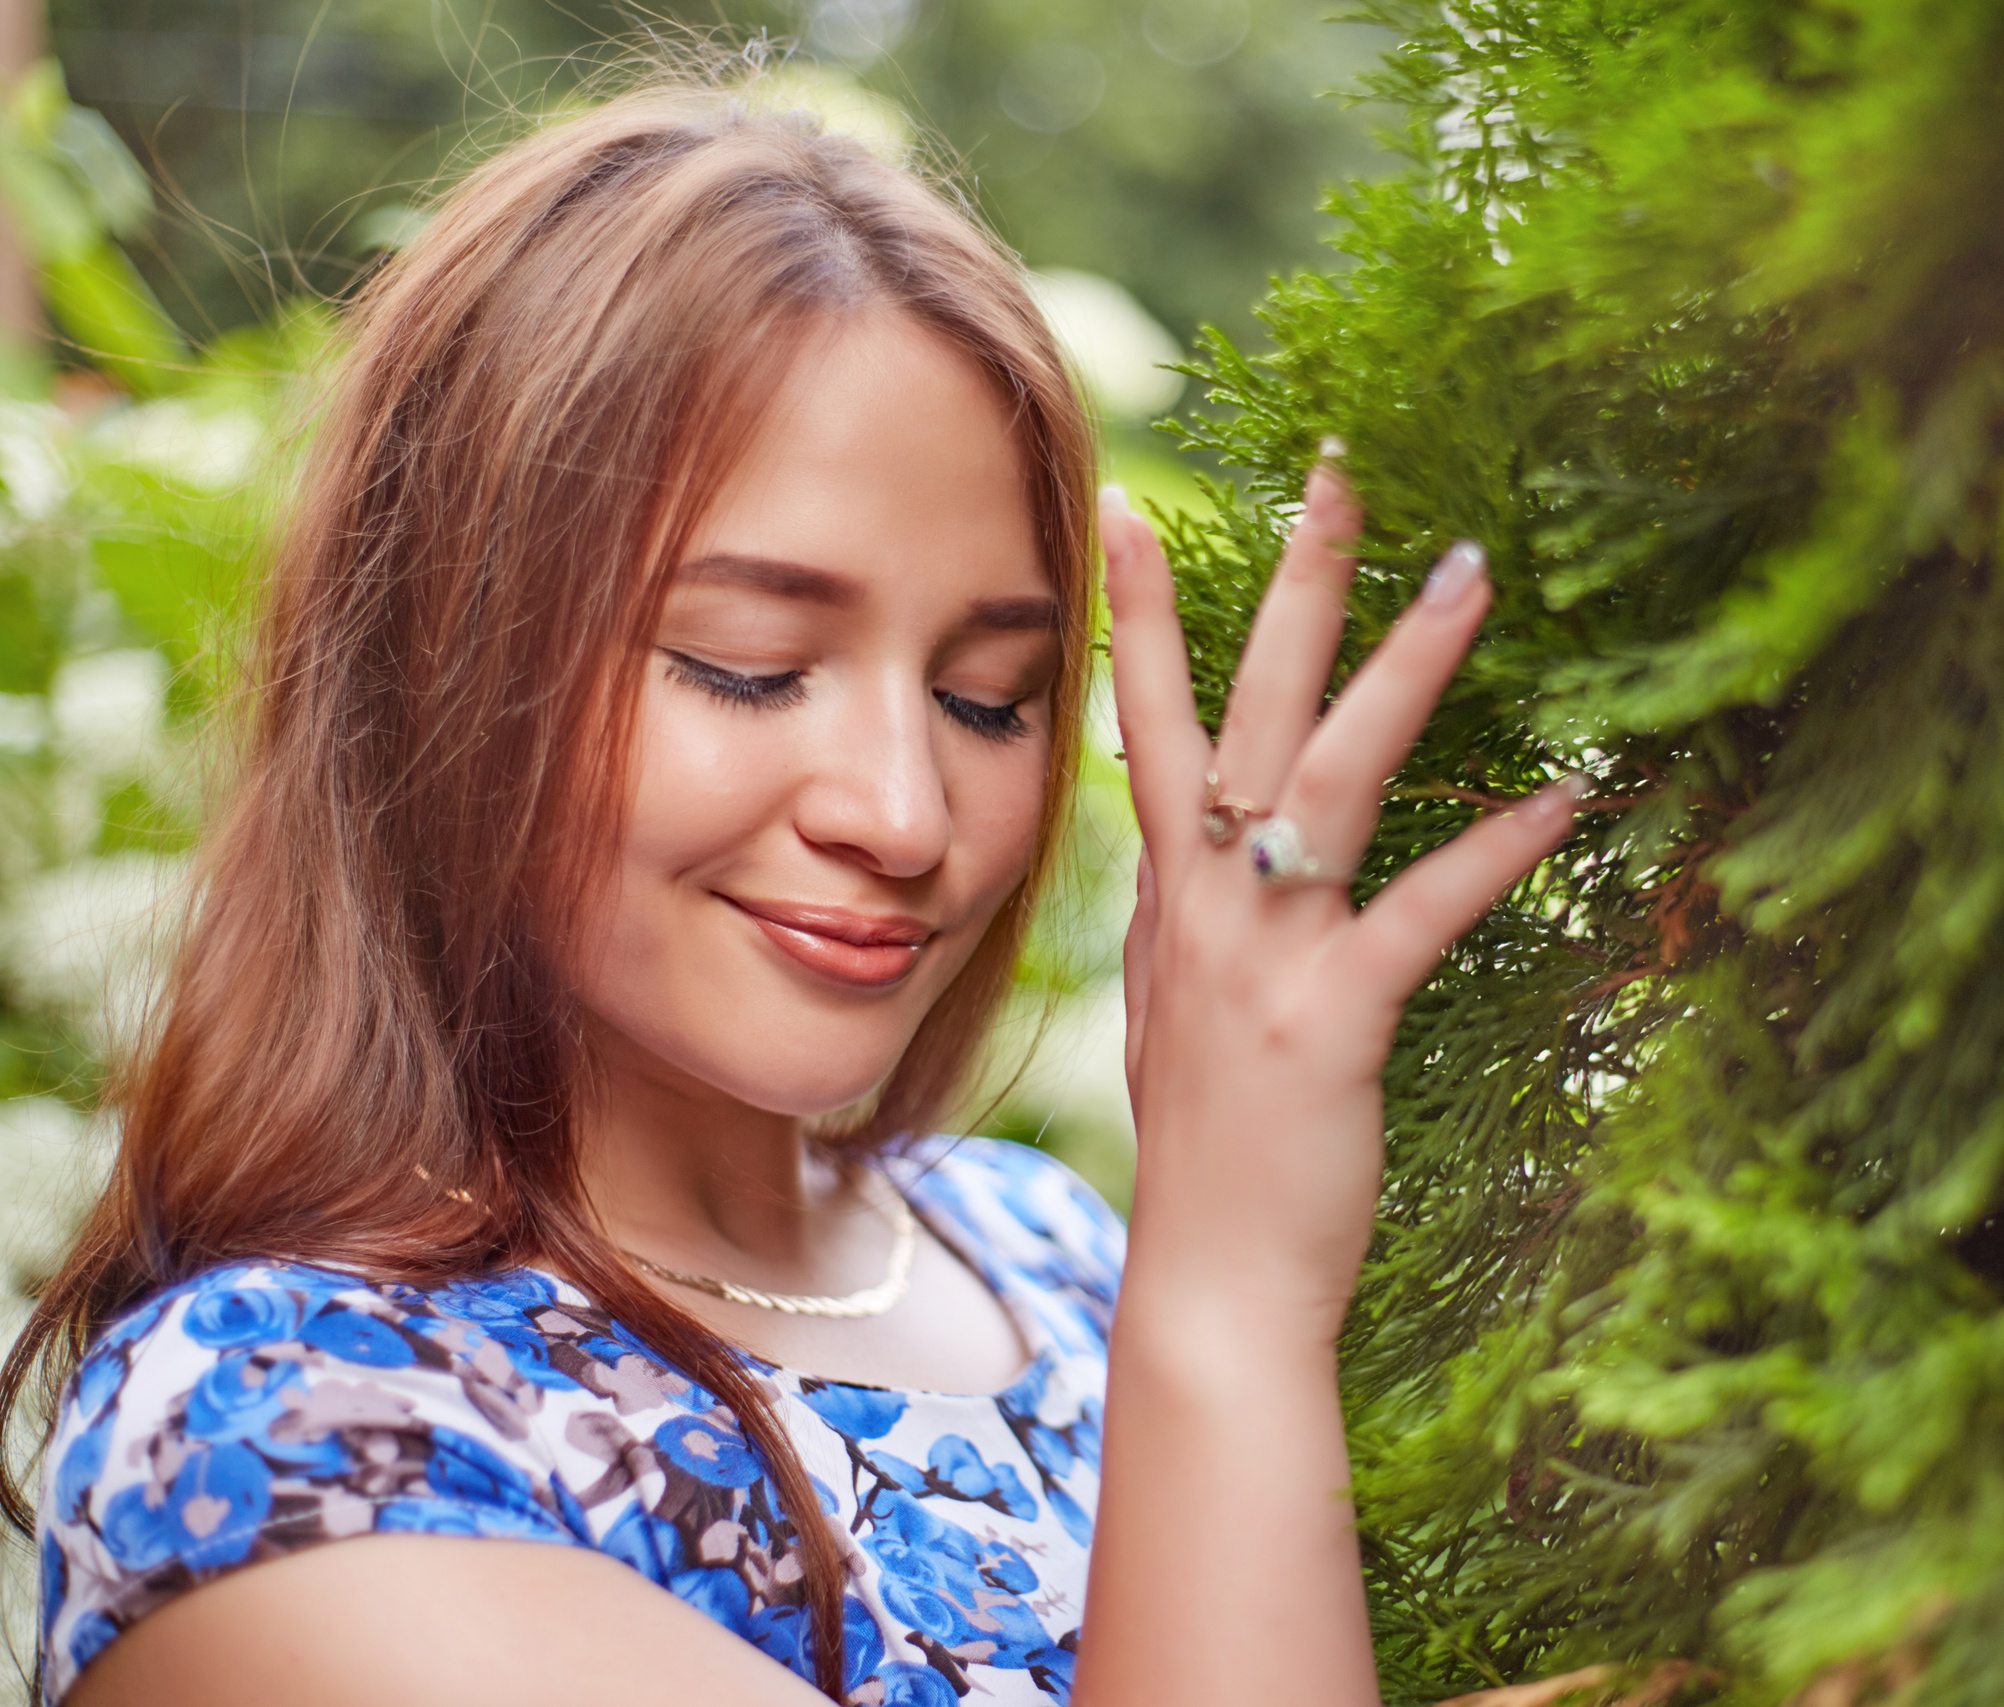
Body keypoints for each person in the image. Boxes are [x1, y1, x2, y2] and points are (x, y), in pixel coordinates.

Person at [1, 82, 1578, 1707]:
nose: (905, 816)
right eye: (748, 669)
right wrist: (1236, 1298)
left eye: (988, 697)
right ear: (442, 657)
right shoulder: (292, 1441)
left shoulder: (1047, 1252)